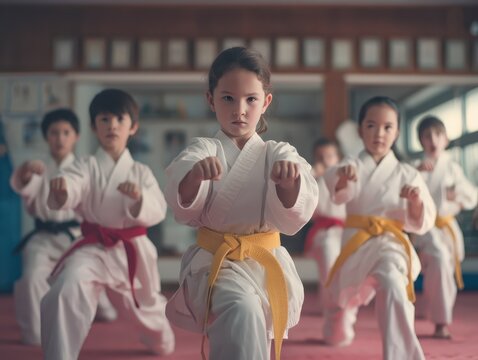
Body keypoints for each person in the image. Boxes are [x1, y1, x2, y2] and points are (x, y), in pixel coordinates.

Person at [164, 47, 318, 360]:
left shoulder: (277, 151)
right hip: (216, 264)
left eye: (251, 99)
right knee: (241, 310)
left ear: (266, 102)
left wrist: (290, 183)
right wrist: (194, 177)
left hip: (264, 263)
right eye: (228, 98)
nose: (240, 110)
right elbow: (183, 192)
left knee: (254, 328)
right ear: (210, 99)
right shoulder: (204, 148)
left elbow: (296, 207)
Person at [41, 90, 175, 359]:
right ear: (93, 127)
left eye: (119, 119)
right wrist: (62, 189)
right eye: (104, 119)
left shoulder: (140, 172)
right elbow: (73, 182)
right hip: (94, 248)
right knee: (66, 288)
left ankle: (162, 340)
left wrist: (139, 199)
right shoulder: (86, 165)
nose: (112, 125)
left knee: (145, 310)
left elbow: (158, 208)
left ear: (133, 127)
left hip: (130, 250)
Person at [322, 96, 436, 360]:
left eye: (388, 127)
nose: (379, 134)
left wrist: (416, 201)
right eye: (372, 126)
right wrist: (343, 179)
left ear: (396, 132)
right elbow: (337, 192)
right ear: (361, 130)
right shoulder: (352, 165)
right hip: (357, 243)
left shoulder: (408, 173)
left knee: (394, 285)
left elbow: (421, 221)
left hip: (390, 242)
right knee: (342, 302)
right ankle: (338, 325)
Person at [10, 109, 117, 346]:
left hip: (76, 237)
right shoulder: (39, 167)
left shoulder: (84, 167)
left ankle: (102, 305)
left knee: (83, 278)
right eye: (54, 133)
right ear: (46, 136)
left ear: (76, 136)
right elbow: (24, 189)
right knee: (31, 278)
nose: (60, 138)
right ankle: (33, 333)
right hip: (43, 238)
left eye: (66, 132)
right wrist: (27, 171)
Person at [413, 115, 478, 339]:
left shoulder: (452, 167)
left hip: (448, 227)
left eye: (437, 134)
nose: (433, 139)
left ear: (446, 139)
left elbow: (471, 195)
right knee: (439, 260)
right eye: (427, 135)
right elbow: (402, 193)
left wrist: (456, 197)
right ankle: (441, 323)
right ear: (421, 141)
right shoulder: (415, 166)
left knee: (444, 273)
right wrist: (418, 173)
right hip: (426, 227)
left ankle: (433, 307)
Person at [304, 138, 345, 315]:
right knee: (328, 261)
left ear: (338, 158)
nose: (325, 160)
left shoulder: (345, 179)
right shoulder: (312, 180)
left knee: (339, 268)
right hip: (323, 231)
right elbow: (305, 210)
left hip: (346, 230)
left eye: (329, 156)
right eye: (320, 157)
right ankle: (332, 304)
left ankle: (334, 301)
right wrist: (312, 175)